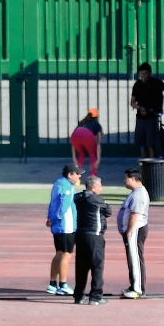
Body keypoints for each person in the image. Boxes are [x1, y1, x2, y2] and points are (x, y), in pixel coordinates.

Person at [72, 174, 111, 305]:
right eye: (100, 186)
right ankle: (95, 296)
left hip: (80, 234)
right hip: (94, 235)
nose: (101, 189)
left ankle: (78, 295)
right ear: (94, 187)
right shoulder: (97, 199)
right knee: (97, 266)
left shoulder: (78, 197)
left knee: (81, 267)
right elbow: (108, 211)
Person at [130, 63, 164, 158]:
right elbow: (132, 102)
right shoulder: (137, 85)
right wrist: (140, 108)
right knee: (142, 145)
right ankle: (144, 166)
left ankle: (153, 165)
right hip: (140, 118)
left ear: (150, 73)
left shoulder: (156, 83)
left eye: (145, 73)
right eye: (141, 74)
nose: (143, 76)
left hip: (152, 117)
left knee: (151, 144)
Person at [46, 164, 80, 295]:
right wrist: (55, 218)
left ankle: (53, 283)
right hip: (66, 226)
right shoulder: (67, 187)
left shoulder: (58, 184)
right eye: (77, 174)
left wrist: (50, 217)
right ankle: (63, 284)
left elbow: (52, 202)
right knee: (66, 255)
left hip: (59, 226)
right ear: (70, 175)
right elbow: (63, 206)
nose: (79, 176)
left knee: (59, 254)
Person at [117, 169, 149, 299]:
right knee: (132, 258)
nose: (124, 181)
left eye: (126, 178)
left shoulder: (138, 194)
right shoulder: (136, 193)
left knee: (135, 259)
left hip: (135, 230)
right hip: (133, 230)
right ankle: (134, 285)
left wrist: (129, 230)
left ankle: (138, 289)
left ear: (133, 179)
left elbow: (134, 214)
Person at [70, 108, 102, 175]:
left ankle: (77, 179)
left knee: (81, 154)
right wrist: (98, 160)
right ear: (97, 116)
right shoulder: (97, 125)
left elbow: (73, 144)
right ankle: (93, 176)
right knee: (92, 154)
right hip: (87, 136)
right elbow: (98, 143)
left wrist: (74, 158)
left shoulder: (81, 123)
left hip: (75, 135)